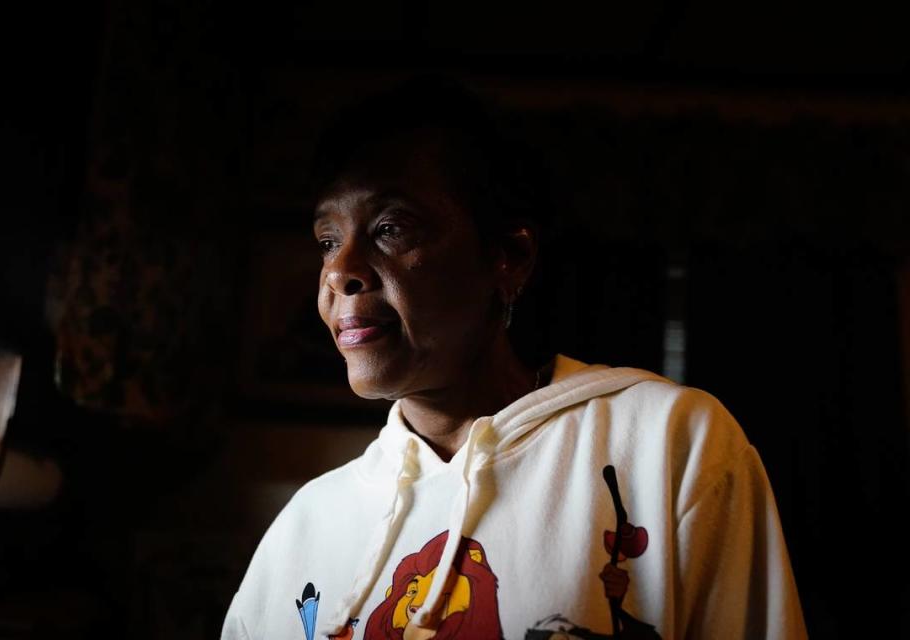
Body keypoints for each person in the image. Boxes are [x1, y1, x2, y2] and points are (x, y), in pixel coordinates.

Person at [222, 78, 807, 640]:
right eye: (328, 240)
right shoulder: (306, 525)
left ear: (509, 257)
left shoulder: (669, 444)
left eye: (390, 228)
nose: (339, 271)